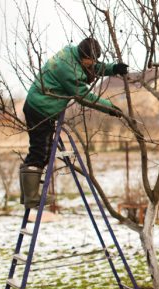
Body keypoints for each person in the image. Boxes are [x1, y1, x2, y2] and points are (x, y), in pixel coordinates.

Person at [20, 37, 128, 208]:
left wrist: (113, 68)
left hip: (40, 106)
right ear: (83, 55)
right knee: (40, 152)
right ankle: (31, 197)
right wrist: (110, 108)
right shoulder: (68, 70)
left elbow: (90, 68)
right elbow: (85, 97)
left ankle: (27, 195)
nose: (93, 63)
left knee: (40, 151)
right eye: (90, 60)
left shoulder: (73, 53)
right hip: (40, 109)